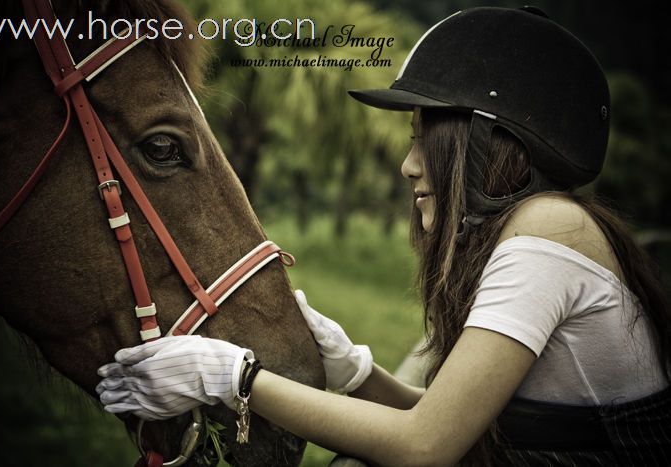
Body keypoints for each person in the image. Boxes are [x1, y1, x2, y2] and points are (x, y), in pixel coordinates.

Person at [96, 7, 671, 465]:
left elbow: (425, 447)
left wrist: (231, 377)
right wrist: (356, 370)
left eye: (426, 139)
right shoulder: (547, 229)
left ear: (490, 144)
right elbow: (458, 427)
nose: (409, 166)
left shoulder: (549, 227)